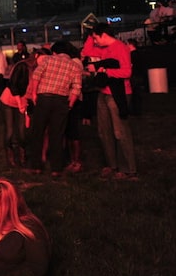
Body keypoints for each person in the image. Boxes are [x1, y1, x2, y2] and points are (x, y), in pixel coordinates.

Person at [82, 24, 138, 180]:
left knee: (120, 131)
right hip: (104, 93)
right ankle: (113, 165)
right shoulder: (103, 49)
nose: (95, 41)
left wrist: (106, 71)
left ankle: (128, 169)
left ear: (104, 35)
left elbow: (127, 71)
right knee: (104, 131)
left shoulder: (120, 48)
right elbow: (86, 52)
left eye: (95, 38)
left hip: (117, 94)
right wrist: (90, 33)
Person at [25, 40, 83, 177]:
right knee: (57, 134)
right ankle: (56, 168)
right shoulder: (74, 66)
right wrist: (70, 104)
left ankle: (36, 166)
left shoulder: (48, 60)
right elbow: (77, 88)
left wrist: (34, 94)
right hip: (61, 100)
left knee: (38, 132)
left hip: (44, 98)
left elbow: (36, 76)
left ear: (55, 51)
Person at [0, 58, 31, 168]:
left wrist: (26, 110)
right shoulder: (22, 67)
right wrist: (20, 104)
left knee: (22, 131)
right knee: (10, 130)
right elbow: (13, 85)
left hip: (22, 103)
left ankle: (22, 156)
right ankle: (10, 157)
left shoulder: (37, 73)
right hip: (8, 100)